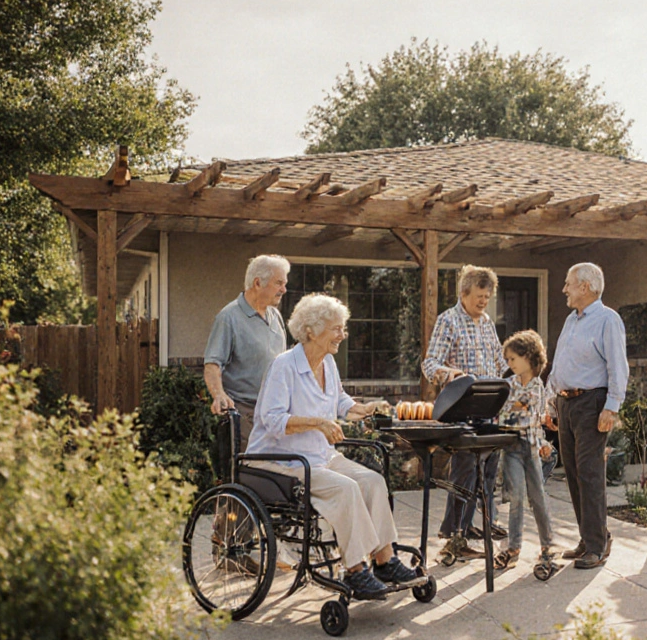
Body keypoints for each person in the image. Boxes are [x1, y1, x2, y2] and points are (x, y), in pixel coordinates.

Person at [247, 293, 418, 601]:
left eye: (343, 328)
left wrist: (365, 408)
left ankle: (385, 560)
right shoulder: (284, 366)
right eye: (337, 328)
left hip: (319, 456)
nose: (343, 334)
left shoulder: (328, 363)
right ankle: (354, 570)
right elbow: (271, 419)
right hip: (283, 461)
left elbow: (339, 402)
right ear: (311, 330)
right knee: (346, 489)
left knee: (373, 481)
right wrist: (318, 423)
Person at [421, 265, 508, 563]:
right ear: (464, 293)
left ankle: (478, 526)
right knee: (465, 473)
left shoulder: (487, 323)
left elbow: (499, 363)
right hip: (462, 410)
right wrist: (451, 374)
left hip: (489, 409)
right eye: (479, 296)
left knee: (487, 473)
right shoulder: (449, 321)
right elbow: (429, 364)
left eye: (487, 297)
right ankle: (455, 536)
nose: (484, 302)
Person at [545, 263, 628, 569]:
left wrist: (612, 407)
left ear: (586, 287)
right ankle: (588, 538)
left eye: (568, 284)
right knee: (574, 474)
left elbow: (618, 366)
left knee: (590, 474)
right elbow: (560, 364)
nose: (564, 289)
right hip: (566, 403)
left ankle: (597, 544)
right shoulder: (572, 319)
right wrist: (550, 402)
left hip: (592, 402)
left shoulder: (608, 320)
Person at [203, 254, 290, 447]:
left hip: (275, 412)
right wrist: (219, 394)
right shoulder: (229, 317)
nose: (284, 289)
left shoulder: (275, 315)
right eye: (279, 283)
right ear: (258, 283)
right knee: (252, 470)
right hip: (245, 414)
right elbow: (212, 364)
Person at [493, 330, 554, 570]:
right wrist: (519, 410)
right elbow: (503, 415)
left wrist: (542, 444)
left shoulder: (539, 386)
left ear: (528, 356)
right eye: (507, 360)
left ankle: (548, 544)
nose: (509, 364)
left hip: (530, 447)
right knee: (516, 496)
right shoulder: (507, 384)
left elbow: (534, 418)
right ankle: (513, 547)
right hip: (512, 448)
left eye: (513, 359)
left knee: (537, 496)